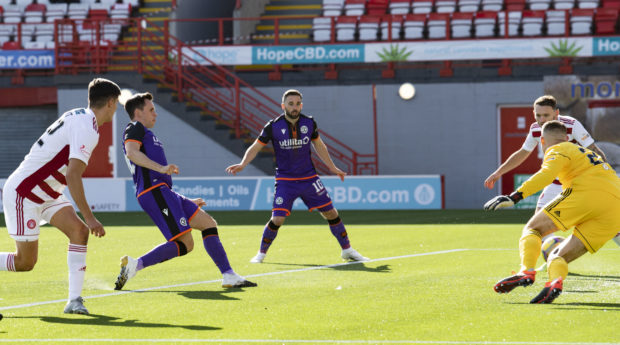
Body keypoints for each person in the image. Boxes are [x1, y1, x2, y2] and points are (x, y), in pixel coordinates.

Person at [0, 78, 121, 314]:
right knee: (25, 263)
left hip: (48, 193)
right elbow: (74, 175)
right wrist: (90, 216)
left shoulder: (79, 117)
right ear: (109, 102)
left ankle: (74, 301)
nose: (116, 109)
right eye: (115, 103)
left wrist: (85, 221)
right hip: (25, 193)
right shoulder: (88, 128)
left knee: (79, 232)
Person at [114, 92, 256, 290]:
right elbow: (131, 153)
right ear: (138, 113)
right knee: (185, 244)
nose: (155, 114)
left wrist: (184, 201)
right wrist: (162, 168)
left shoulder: (146, 132)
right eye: (151, 110)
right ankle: (135, 265)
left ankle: (229, 275)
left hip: (164, 192)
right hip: (153, 192)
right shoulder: (135, 127)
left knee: (208, 224)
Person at [484, 120, 620, 304]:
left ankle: (526, 271)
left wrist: (514, 197)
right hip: (615, 209)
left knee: (533, 229)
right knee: (559, 256)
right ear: (567, 137)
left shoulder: (558, 149)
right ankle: (554, 282)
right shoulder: (588, 153)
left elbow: (546, 174)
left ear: (542, 141)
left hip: (587, 194)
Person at [226, 89, 368, 263]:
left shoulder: (309, 123)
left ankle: (347, 250)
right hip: (286, 180)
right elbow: (256, 146)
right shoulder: (273, 126)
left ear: (301, 105)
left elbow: (319, 145)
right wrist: (242, 164)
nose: (294, 107)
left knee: (331, 213)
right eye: (290, 103)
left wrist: (332, 167)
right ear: (283, 105)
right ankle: (261, 254)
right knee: (277, 218)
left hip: (309, 178)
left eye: (297, 103)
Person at [484, 95, 620, 246]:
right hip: (556, 182)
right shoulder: (536, 129)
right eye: (538, 115)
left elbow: (593, 149)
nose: (542, 119)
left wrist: (608, 176)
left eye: (546, 115)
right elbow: (523, 152)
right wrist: (499, 172)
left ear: (556, 113)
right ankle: (553, 258)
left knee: (607, 223)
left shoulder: (572, 125)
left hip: (580, 183)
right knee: (537, 226)